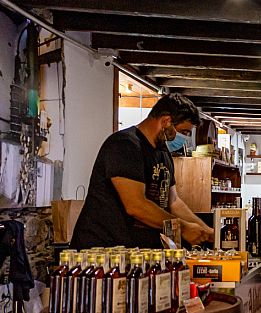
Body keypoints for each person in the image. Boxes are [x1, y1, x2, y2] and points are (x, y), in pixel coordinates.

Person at [70, 93, 213, 250]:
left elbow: (173, 202)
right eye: (184, 132)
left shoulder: (163, 153)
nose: (185, 138)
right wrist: (183, 227)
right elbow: (136, 206)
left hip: (136, 252)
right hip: (103, 250)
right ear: (166, 121)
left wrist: (205, 231)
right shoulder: (124, 146)